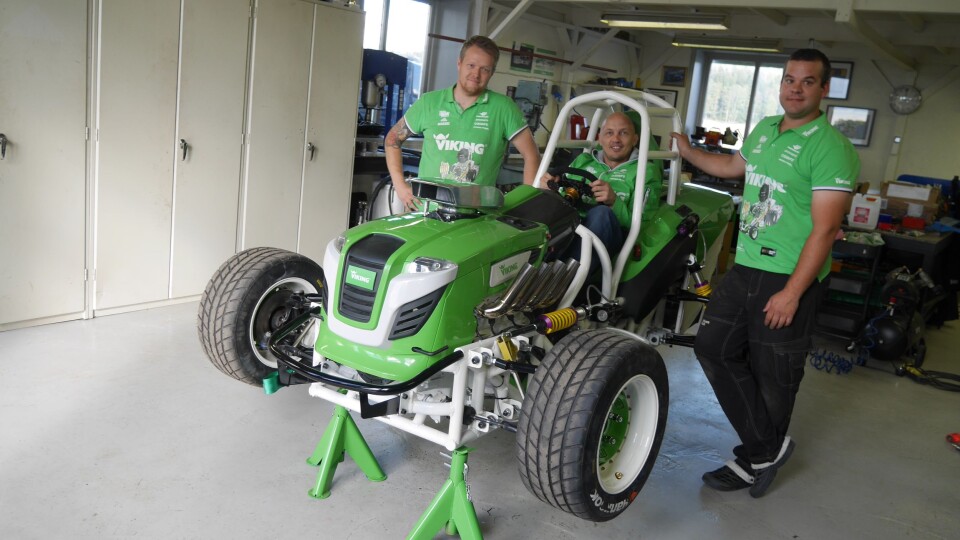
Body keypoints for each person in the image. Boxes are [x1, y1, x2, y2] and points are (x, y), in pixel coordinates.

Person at [669, 49, 860, 498]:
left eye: (807, 81)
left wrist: (793, 292)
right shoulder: (764, 131)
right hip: (746, 267)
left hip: (790, 276)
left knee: (775, 376)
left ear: (823, 89)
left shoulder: (830, 147)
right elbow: (732, 168)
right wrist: (689, 151)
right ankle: (764, 450)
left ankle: (754, 459)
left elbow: (827, 227)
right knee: (712, 347)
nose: (795, 88)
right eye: (789, 80)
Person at [384, 35, 541, 211]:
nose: (476, 74)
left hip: (475, 219)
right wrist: (400, 186)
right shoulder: (429, 103)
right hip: (424, 213)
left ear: (492, 72)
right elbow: (392, 140)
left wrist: (526, 205)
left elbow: (532, 155)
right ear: (459, 63)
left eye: (485, 69)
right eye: (471, 65)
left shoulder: (504, 108)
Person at [540, 111, 662, 270]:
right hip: (570, 227)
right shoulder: (583, 160)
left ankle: (567, 280)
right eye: (609, 133)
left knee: (601, 213)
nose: (616, 139)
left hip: (611, 235)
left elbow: (642, 227)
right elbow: (564, 196)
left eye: (623, 133)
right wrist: (550, 188)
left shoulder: (646, 171)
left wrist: (614, 202)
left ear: (635, 139)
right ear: (600, 138)